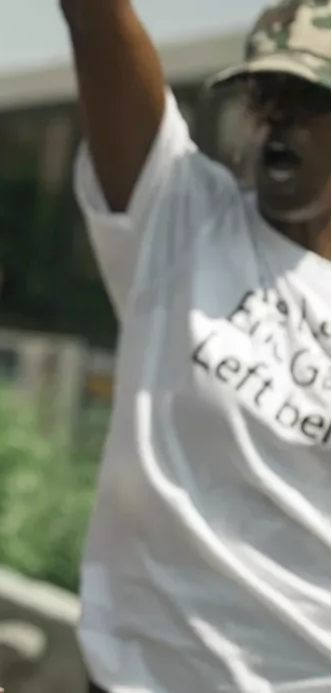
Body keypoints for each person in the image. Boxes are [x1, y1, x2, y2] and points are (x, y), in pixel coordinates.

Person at [60, 0, 332, 691]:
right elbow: (96, 20)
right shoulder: (183, 217)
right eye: (263, 95)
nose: (276, 117)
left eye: (307, 97)